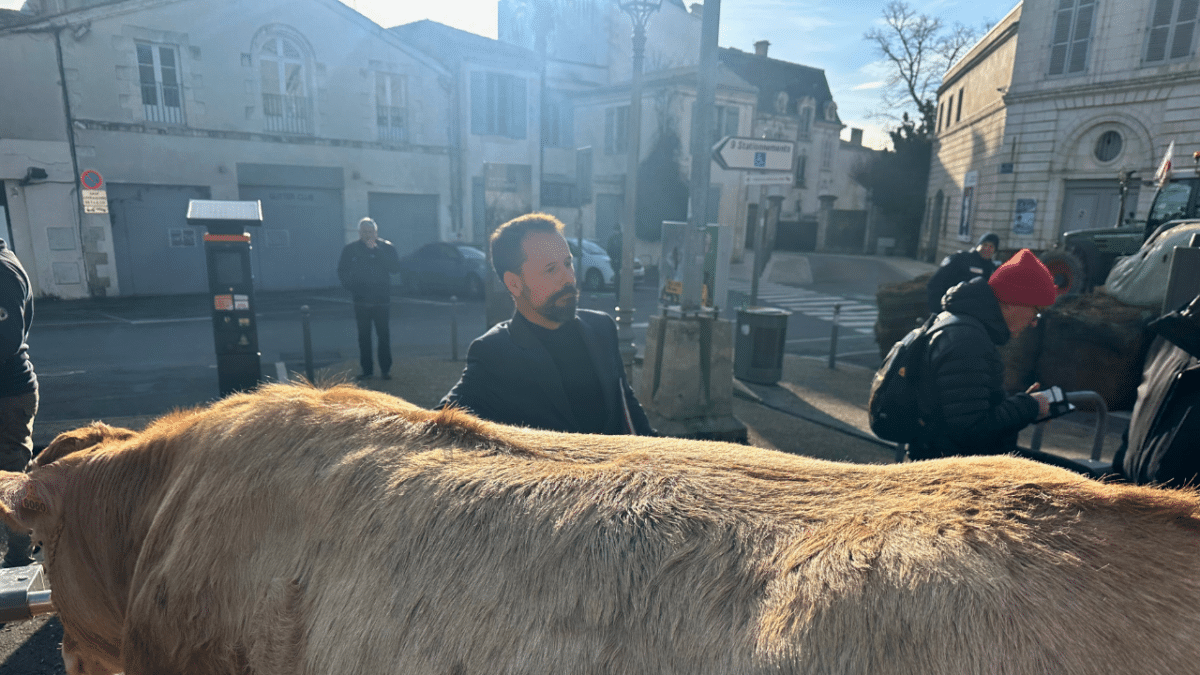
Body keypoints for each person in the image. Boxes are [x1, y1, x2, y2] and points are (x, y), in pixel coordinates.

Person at [440, 213, 653, 435]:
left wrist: (659, 454)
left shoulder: (601, 327)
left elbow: (625, 403)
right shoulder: (494, 354)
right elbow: (439, 425)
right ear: (514, 283)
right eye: (551, 269)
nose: (568, 277)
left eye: (568, 263)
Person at [908, 248, 1056, 461]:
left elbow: (970, 409)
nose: (1034, 323)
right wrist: (1028, 406)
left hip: (943, 460)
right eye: (1035, 313)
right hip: (949, 474)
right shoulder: (968, 342)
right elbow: (971, 430)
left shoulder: (965, 327)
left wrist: (1025, 406)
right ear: (1014, 302)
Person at [0, 238, 37, 567]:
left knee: (11, 475)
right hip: (9, 390)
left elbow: (7, 340)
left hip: (8, 394)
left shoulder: (2, 271)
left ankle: (19, 556)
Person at [337, 217, 400, 380]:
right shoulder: (351, 249)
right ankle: (367, 370)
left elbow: (395, 268)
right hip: (361, 300)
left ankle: (386, 370)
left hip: (382, 300)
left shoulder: (386, 248)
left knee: (383, 336)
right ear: (359, 233)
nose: (367, 235)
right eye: (364, 232)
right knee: (364, 337)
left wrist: (378, 252)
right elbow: (342, 271)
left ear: (376, 232)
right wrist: (352, 287)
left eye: (370, 232)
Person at [926, 232, 1001, 313]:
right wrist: (937, 310)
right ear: (978, 246)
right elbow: (935, 283)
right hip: (951, 308)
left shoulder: (992, 269)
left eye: (991, 246)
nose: (987, 249)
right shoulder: (960, 258)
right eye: (985, 245)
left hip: (975, 312)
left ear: (994, 251)